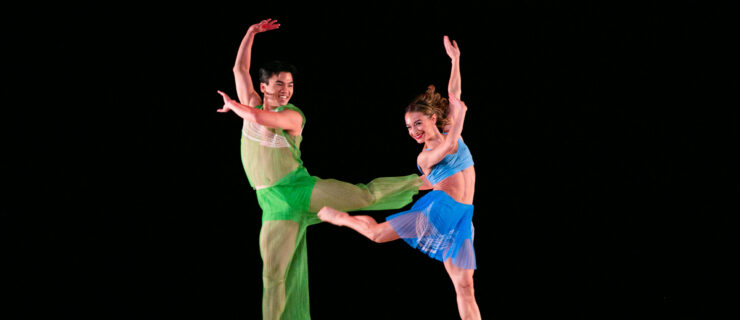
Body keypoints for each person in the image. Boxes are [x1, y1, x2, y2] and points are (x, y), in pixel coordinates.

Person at [216, 19, 423, 320]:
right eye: (279, 84)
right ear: (264, 87)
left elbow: (259, 119)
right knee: (273, 278)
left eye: (290, 85)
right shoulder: (252, 103)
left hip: (301, 189)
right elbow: (239, 71)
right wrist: (250, 34)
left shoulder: (291, 115)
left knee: (363, 197)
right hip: (274, 204)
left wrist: (233, 106)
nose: (286, 90)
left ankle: (423, 182)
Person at [317, 36, 481, 320]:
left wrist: (455, 61)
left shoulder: (450, 129)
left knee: (465, 286)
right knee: (378, 235)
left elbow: (454, 93)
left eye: (417, 122)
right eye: (408, 127)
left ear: (432, 118)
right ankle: (341, 217)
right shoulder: (425, 157)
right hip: (438, 209)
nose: (413, 130)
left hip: (463, 217)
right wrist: (461, 115)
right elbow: (448, 145)